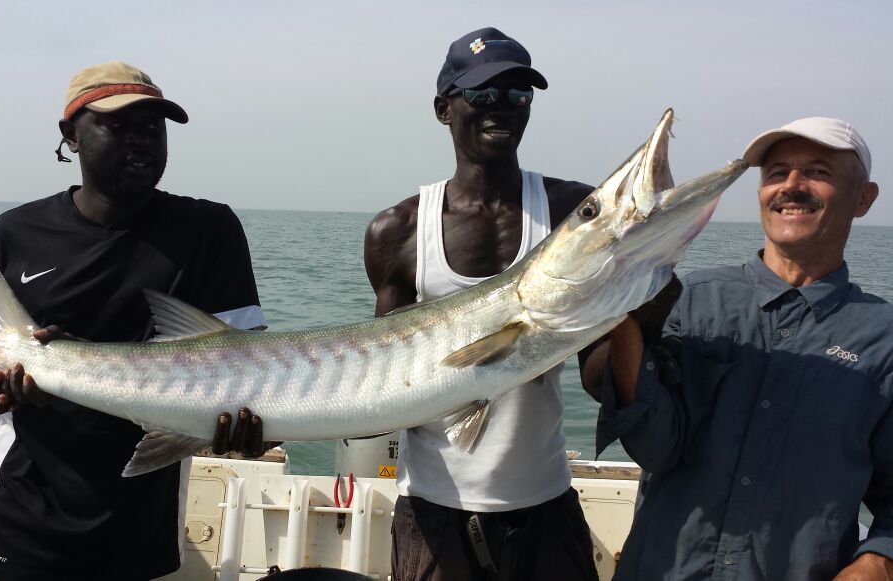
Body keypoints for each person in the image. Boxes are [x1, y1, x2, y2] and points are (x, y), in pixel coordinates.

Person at [0, 61, 269, 581]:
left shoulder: (208, 229)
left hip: (145, 529)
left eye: (152, 128)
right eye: (118, 126)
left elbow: (243, 369)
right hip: (27, 521)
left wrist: (245, 423)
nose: (140, 141)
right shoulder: (12, 236)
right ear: (71, 136)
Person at [585, 117, 893, 580]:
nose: (792, 186)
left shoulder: (883, 336)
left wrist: (878, 560)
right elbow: (655, 447)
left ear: (864, 198)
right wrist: (624, 318)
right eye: (776, 172)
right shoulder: (687, 299)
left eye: (818, 172)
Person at [364, 27, 599, 581]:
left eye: (519, 94)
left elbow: (603, 373)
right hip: (434, 510)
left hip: (545, 501)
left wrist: (646, 291)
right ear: (444, 109)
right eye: (484, 94)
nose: (505, 108)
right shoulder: (397, 231)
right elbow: (384, 383)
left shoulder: (572, 212)